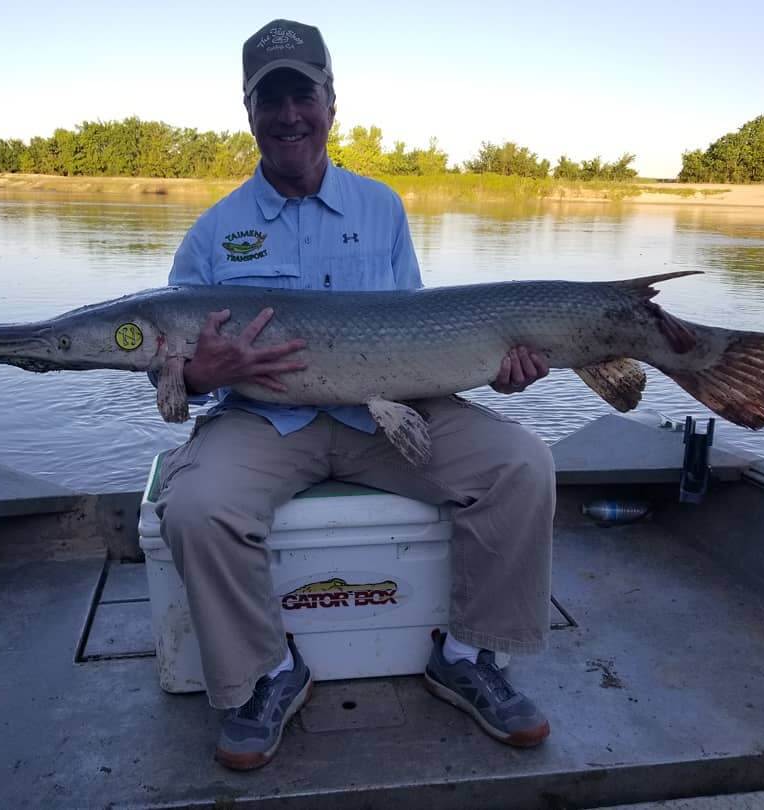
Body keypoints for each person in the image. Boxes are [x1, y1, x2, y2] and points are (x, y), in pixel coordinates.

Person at [153, 19, 555, 771]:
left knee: (521, 466)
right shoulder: (214, 234)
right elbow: (176, 372)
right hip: (266, 421)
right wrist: (200, 375)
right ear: (249, 113)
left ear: (331, 101)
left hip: (384, 415)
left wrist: (499, 361)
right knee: (197, 509)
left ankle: (469, 656)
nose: (288, 116)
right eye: (269, 100)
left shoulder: (383, 208)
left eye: (301, 94)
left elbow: (420, 328)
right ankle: (266, 674)